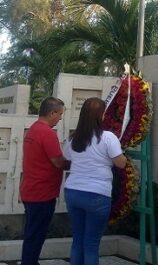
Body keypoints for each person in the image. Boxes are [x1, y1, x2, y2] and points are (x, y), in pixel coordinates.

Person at [63, 97, 126, 265]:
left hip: (73, 191)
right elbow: (120, 163)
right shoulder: (108, 137)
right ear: (101, 115)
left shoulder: (73, 138)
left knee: (78, 240)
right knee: (91, 244)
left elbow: (68, 159)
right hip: (97, 194)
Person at [20, 96, 70, 265]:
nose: (61, 118)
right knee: (36, 236)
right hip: (42, 194)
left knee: (32, 234)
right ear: (52, 113)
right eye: (60, 114)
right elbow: (58, 161)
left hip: (31, 190)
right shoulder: (47, 133)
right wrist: (79, 164)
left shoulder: (33, 129)